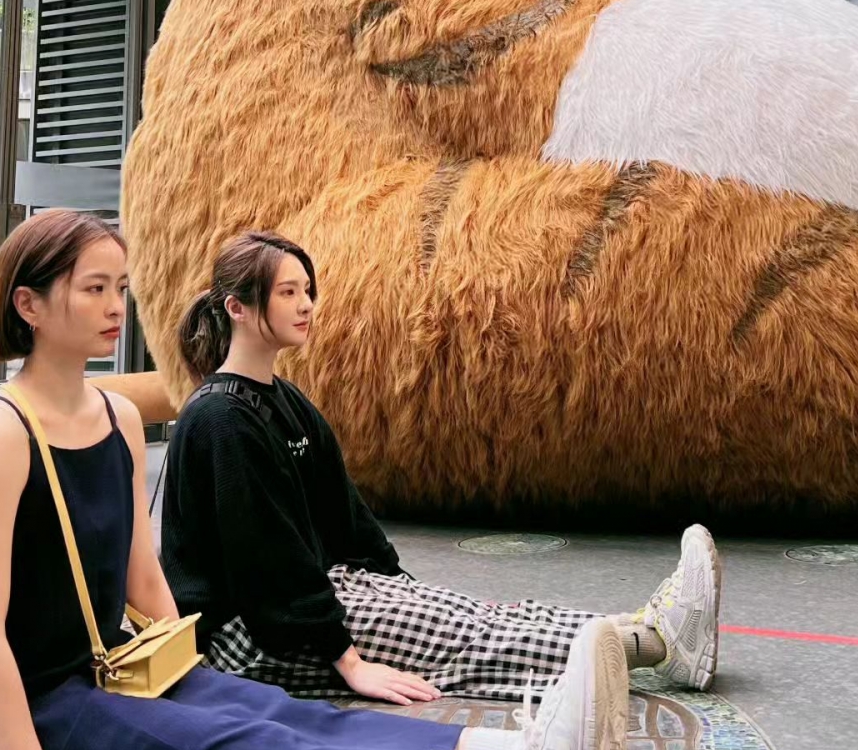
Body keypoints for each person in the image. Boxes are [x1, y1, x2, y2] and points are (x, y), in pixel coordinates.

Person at [0, 210, 628, 750]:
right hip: (12, 712)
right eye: (93, 289)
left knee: (273, 712)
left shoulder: (115, 417)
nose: (116, 306)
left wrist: (190, 683)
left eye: (120, 288)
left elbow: (142, 574)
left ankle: (526, 748)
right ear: (28, 305)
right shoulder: (0, 431)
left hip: (105, 670)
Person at [162, 231, 722, 707]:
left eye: (307, 290)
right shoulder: (220, 420)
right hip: (245, 637)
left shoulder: (282, 399)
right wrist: (349, 662)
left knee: (457, 611)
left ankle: (643, 628)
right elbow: (267, 564)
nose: (306, 304)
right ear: (237, 307)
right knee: (458, 638)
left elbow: (343, 516)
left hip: (299, 601)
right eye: (288, 293)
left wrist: (396, 585)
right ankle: (654, 647)